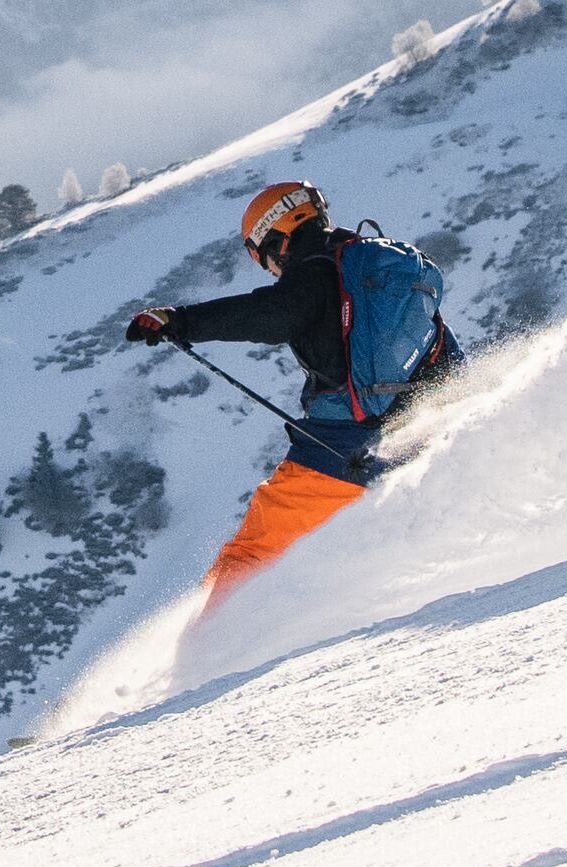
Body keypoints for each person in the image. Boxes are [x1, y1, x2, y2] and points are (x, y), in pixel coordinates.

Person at [125, 178, 448, 604]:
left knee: (250, 554)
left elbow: (270, 314)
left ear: (276, 239)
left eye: (264, 260)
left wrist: (180, 321)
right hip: (428, 425)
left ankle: (206, 658)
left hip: (340, 450)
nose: (271, 271)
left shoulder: (313, 273)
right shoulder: (382, 271)